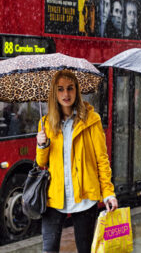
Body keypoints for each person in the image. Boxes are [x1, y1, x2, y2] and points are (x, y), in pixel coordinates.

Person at [36, 70, 118, 253]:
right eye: (61, 89)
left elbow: (102, 160)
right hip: (54, 198)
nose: (66, 94)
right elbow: (41, 162)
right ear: (54, 93)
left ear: (77, 90)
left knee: (85, 249)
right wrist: (41, 145)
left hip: (84, 198)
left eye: (70, 88)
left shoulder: (91, 120)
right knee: (48, 250)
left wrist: (108, 193)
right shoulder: (46, 123)